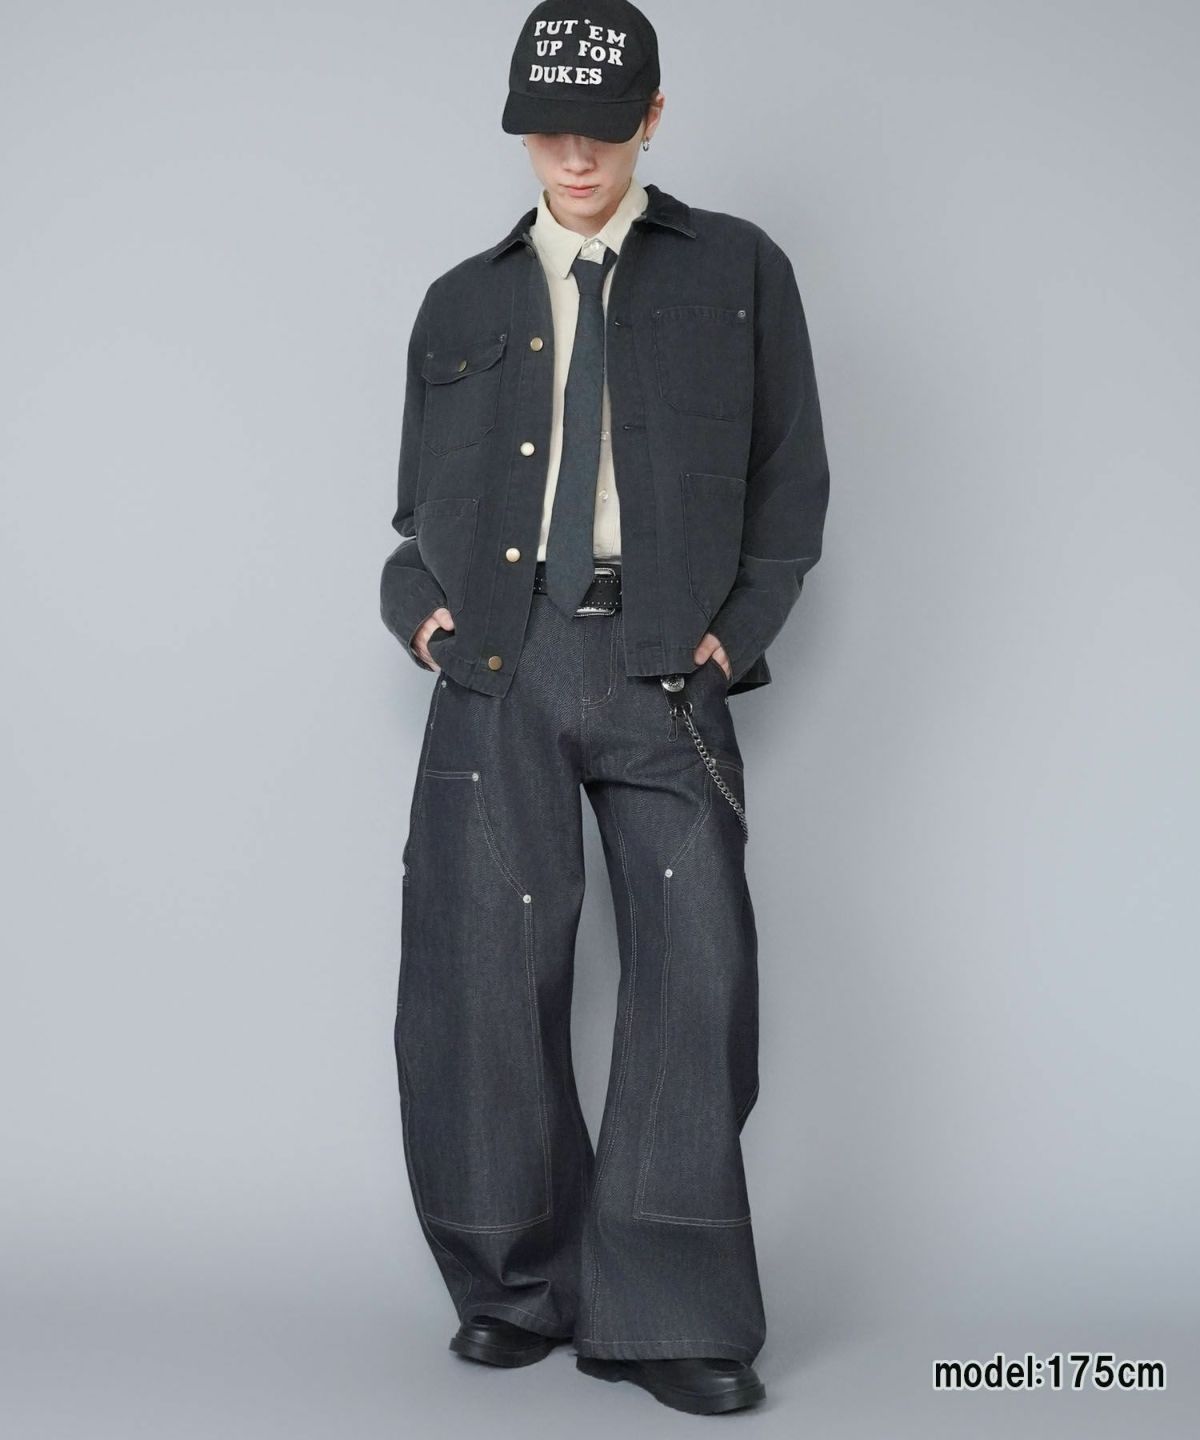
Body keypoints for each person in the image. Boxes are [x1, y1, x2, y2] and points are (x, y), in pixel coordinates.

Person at [380, 0, 830, 1415]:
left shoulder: (738, 271)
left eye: (601, 128)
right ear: (523, 133)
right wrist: (419, 611)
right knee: (477, 981)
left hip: (661, 665)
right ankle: (518, 1287)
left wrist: (727, 642)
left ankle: (671, 1312)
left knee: (697, 978)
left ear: (652, 119)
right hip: (499, 666)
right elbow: (415, 515)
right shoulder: (459, 302)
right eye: (547, 132)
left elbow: (791, 489)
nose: (574, 157)